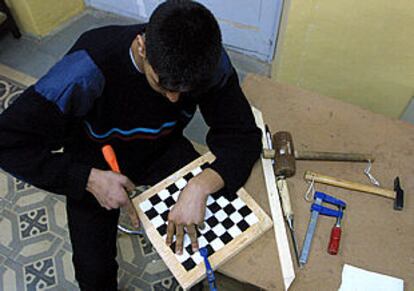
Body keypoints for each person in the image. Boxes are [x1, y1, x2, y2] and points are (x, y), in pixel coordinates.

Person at [0, 0, 261, 289]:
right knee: (93, 269)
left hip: (163, 148)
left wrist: (201, 185)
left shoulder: (208, 64)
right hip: (94, 160)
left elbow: (243, 135)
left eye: (184, 91)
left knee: (207, 238)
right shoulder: (85, 69)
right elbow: (7, 142)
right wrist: (86, 179)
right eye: (163, 85)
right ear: (141, 46)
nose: (173, 99)